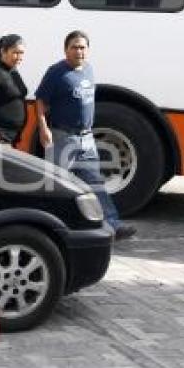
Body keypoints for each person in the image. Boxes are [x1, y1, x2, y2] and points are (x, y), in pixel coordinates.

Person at [35, 30, 137, 240]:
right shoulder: (56, 72)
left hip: (87, 139)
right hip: (63, 138)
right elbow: (40, 102)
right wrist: (44, 128)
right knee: (55, 185)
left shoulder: (89, 70)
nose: (79, 51)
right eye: (74, 47)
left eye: (82, 47)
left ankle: (113, 225)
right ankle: (44, 227)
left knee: (95, 184)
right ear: (66, 50)